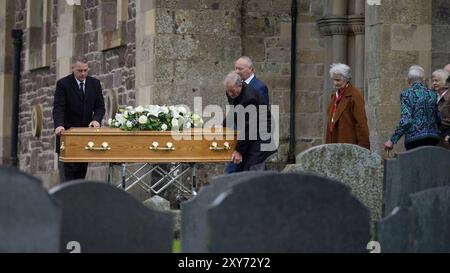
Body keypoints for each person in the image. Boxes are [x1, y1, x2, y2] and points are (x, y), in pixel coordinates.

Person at [53, 56, 106, 182]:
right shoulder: (63, 84)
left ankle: (78, 201)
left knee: (80, 178)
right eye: (79, 70)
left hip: (85, 137)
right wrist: (59, 125)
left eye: (85, 70)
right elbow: (58, 108)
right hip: (66, 135)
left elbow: (100, 107)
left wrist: (96, 120)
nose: (83, 74)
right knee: (67, 178)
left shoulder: (95, 84)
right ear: (73, 69)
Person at [222, 71, 276, 172]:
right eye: (228, 91)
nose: (230, 94)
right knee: (243, 166)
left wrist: (238, 150)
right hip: (248, 132)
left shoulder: (250, 98)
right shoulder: (232, 91)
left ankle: (264, 186)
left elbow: (249, 128)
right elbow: (235, 110)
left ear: (240, 85)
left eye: (232, 91)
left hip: (260, 133)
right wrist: (223, 126)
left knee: (254, 166)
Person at [384, 65, 440, 151]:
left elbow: (406, 121)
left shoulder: (406, 94)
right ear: (423, 79)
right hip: (433, 138)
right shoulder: (432, 94)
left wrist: (392, 140)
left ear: (409, 80)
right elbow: (438, 117)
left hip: (415, 140)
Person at [325, 63, 370, 149]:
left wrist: (364, 148)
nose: (335, 83)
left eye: (338, 80)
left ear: (346, 79)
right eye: (333, 80)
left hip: (348, 144)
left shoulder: (355, 95)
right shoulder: (335, 95)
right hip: (333, 141)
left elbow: (361, 123)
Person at [431, 69, 450, 149]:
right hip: (434, 135)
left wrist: (435, 124)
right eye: (433, 81)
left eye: (437, 81)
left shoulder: (449, 97)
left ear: (444, 82)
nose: (434, 83)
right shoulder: (433, 95)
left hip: (446, 135)